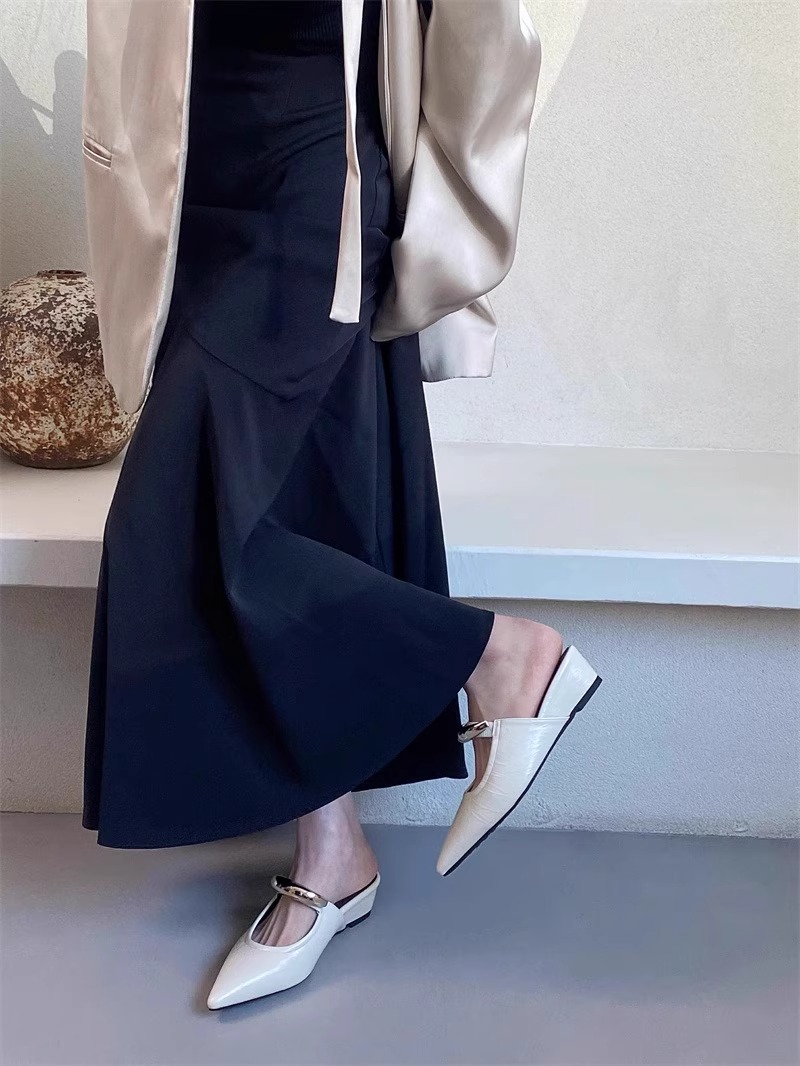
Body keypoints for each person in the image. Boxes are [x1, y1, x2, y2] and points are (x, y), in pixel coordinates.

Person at [81, 0, 602, 1009]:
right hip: (190, 169)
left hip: (312, 168)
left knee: (173, 522)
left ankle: (501, 657)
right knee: (295, 495)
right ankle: (334, 855)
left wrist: (446, 221)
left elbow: (486, 29)